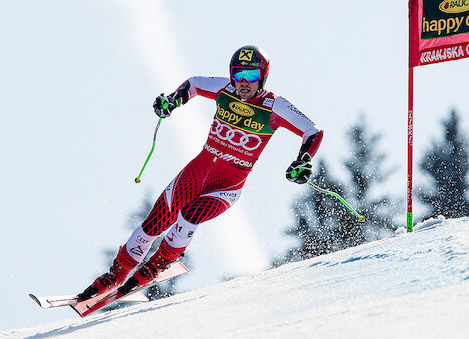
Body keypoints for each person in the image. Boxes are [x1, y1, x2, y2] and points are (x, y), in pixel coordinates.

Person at [78, 45, 324, 300]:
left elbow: (313, 131)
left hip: (226, 187)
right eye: (238, 74)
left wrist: (303, 160)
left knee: (190, 215)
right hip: (196, 172)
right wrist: (174, 100)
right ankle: (116, 275)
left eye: (251, 76)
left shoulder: (274, 106)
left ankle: (157, 265)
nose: (243, 82)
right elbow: (194, 83)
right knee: (153, 223)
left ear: (263, 76)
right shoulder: (224, 89)